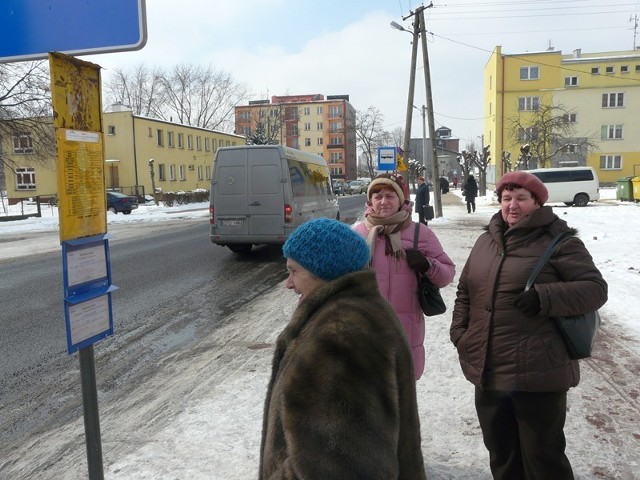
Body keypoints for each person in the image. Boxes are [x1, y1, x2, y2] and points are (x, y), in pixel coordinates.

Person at [450, 171, 608, 480]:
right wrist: (461, 334)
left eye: (522, 198)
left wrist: (543, 297)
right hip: (489, 371)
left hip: (538, 373)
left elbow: (595, 289)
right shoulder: (486, 241)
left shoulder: (559, 242)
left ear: (537, 203)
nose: (513, 205)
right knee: (503, 454)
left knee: (543, 459)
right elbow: (465, 290)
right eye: (507, 198)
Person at [259, 218, 426, 479]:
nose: (288, 283)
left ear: (324, 271)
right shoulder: (364, 310)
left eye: (294, 271)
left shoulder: (340, 335)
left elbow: (336, 461)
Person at [354, 173, 456, 380]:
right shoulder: (357, 234)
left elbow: (447, 274)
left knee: (401, 400)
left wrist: (427, 265)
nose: (383, 201)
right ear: (370, 200)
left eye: (390, 195)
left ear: (401, 200)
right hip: (364, 330)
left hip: (406, 332)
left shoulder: (421, 234)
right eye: (378, 196)